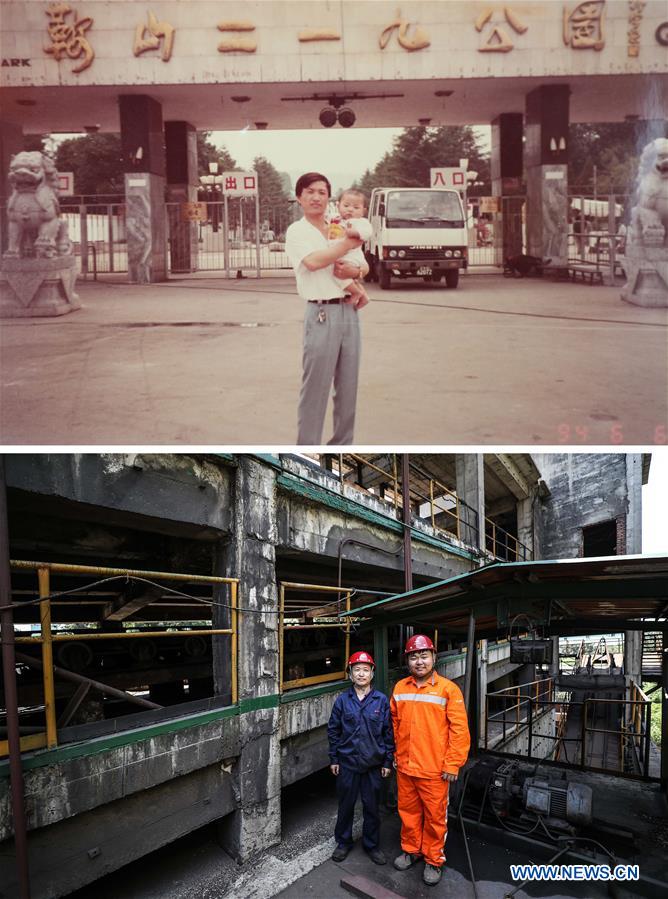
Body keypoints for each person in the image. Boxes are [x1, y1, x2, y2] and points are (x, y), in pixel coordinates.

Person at [285, 172, 369, 446]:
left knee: (348, 387)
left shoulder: (339, 225)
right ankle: (306, 447)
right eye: (310, 191)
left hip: (349, 310)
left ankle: (343, 446)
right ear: (299, 197)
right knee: (316, 389)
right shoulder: (298, 231)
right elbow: (313, 261)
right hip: (321, 314)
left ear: (328, 197)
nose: (316, 197)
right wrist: (347, 245)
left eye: (322, 192)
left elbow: (363, 264)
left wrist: (357, 269)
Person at [390, 634, 470, 886]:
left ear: (434, 657)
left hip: (435, 770)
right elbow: (395, 726)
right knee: (408, 813)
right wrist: (395, 755)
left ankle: (434, 860)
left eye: (424, 655)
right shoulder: (400, 688)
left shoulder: (448, 689)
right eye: (413, 656)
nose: (419, 661)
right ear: (408, 661)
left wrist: (452, 763)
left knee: (436, 818)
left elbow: (459, 730)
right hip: (405, 767)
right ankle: (411, 850)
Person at [327, 651, 394, 866]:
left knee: (372, 807)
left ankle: (371, 845)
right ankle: (343, 842)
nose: (361, 674)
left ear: (372, 673)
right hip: (347, 764)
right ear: (350, 674)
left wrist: (387, 761)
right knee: (346, 806)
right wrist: (334, 758)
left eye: (366, 669)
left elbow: (388, 733)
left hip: (373, 766)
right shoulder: (342, 701)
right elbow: (333, 731)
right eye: (357, 670)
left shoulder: (381, 700)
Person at [328, 189, 372, 309]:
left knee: (338, 274)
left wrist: (355, 233)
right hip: (343, 254)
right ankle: (363, 296)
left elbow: (368, 232)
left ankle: (357, 293)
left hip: (352, 256)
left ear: (363, 211)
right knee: (346, 276)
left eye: (356, 207)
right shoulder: (336, 219)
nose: (350, 209)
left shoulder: (361, 222)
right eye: (346, 206)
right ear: (338, 206)